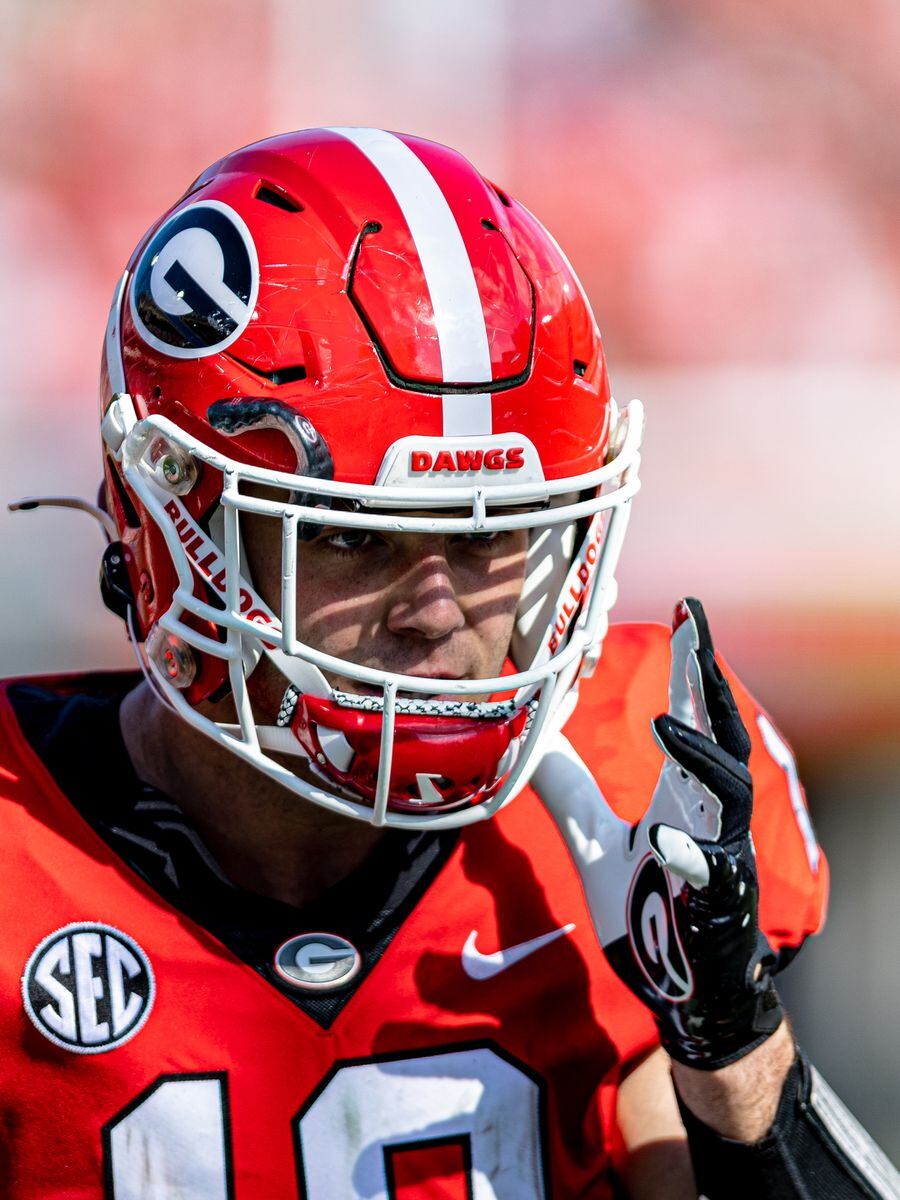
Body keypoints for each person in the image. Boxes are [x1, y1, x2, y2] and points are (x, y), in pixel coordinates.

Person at [2, 127, 896, 1199]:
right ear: (166, 529)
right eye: (349, 537)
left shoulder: (619, 794)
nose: (437, 612)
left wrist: (727, 1034)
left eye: (486, 539)